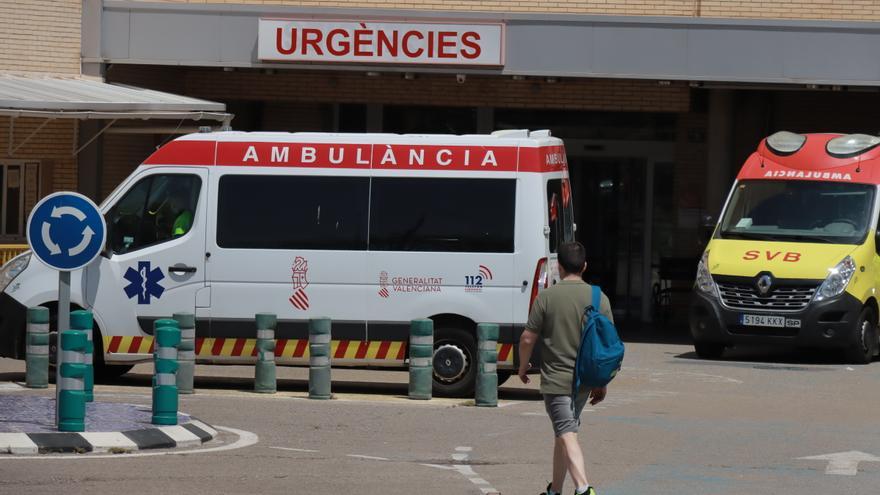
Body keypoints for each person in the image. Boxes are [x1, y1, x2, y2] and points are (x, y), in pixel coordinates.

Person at [518, 241, 614, 495]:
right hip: (584, 381)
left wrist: (522, 366)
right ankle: (555, 491)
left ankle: (584, 488)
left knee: (567, 433)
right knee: (563, 432)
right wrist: (601, 382)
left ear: (558, 267)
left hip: (557, 381)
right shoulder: (599, 297)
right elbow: (605, 346)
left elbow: (527, 338)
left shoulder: (547, 297)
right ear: (584, 266)